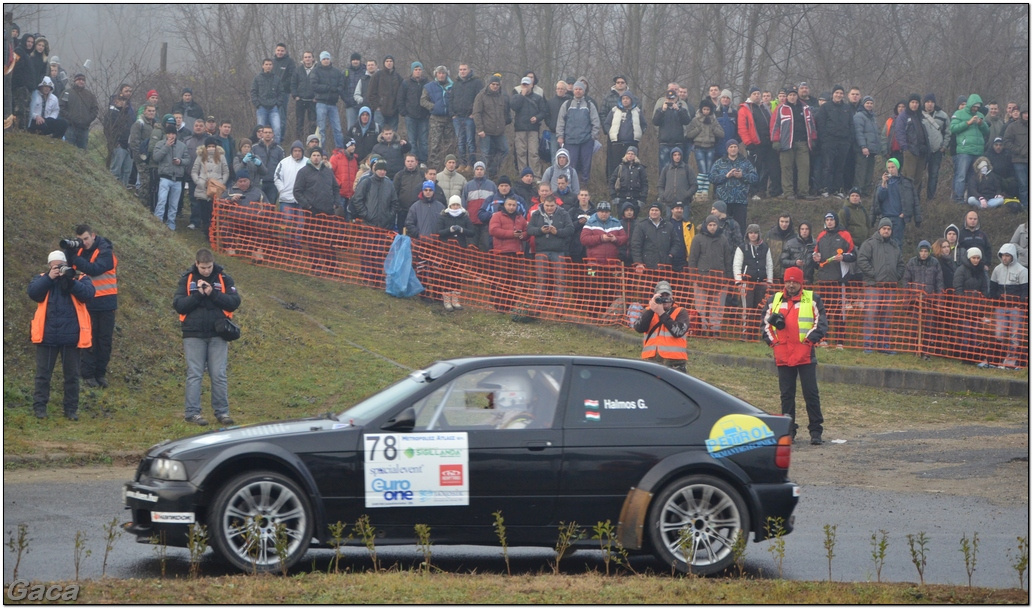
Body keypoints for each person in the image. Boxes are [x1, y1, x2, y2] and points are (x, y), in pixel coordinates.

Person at [173, 248, 241, 426]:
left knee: (218, 374)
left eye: (209, 267)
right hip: (193, 334)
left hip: (218, 334)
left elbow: (234, 302)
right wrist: (198, 295)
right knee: (194, 374)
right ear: (197, 264)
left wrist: (213, 293)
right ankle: (192, 413)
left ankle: (222, 412)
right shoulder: (186, 279)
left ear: (213, 264)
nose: (206, 271)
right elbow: (179, 305)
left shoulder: (224, 278)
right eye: (203, 268)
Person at [761, 266, 828, 444]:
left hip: (805, 355)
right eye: (788, 281)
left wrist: (808, 342)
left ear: (801, 283)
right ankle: (788, 431)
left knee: (811, 393)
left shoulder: (813, 298)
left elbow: (820, 323)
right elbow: (765, 326)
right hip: (783, 354)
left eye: (795, 282)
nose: (791, 285)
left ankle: (816, 431)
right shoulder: (773, 299)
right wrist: (774, 344)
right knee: (786, 395)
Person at [28, 250, 95, 420]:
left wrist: (71, 281)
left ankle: (71, 410)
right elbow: (33, 293)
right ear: (49, 266)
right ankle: (40, 408)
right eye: (55, 265)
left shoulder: (78, 278)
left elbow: (89, 294)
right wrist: (49, 278)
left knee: (72, 376)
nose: (58, 268)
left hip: (71, 336)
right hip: (47, 335)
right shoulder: (42, 278)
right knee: (43, 375)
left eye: (61, 265)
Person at [64, 226, 117, 389]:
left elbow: (94, 269)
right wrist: (69, 253)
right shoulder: (79, 251)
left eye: (86, 238)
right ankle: (88, 374)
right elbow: (69, 270)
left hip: (106, 302)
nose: (84, 242)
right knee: (89, 339)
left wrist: (74, 257)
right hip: (87, 301)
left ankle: (100, 373)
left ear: (93, 235)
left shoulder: (106, 251)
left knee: (104, 340)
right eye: (81, 239)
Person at [857, 218, 905, 354]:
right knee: (870, 315)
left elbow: (901, 264)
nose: (886, 231)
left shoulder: (895, 246)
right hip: (873, 286)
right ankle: (868, 345)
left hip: (890, 286)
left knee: (887, 316)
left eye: (889, 229)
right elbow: (861, 259)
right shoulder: (869, 244)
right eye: (884, 228)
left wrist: (896, 276)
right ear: (879, 229)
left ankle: (884, 345)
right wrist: (874, 274)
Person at [688, 214, 733, 335]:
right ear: (706, 225)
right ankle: (701, 328)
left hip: (720, 279)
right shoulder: (697, 239)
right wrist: (694, 277)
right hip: (701, 278)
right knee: (701, 306)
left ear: (718, 226)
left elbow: (728, 260)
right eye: (710, 225)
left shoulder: (723, 239)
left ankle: (715, 329)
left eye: (714, 225)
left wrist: (727, 278)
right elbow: (692, 260)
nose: (712, 227)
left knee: (717, 307)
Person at [527, 194, 574, 310]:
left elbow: (570, 229)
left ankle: (559, 306)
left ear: (556, 205)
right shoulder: (537, 214)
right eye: (547, 206)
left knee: (560, 280)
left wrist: (557, 232)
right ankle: (539, 304)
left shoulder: (563, 214)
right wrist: (540, 230)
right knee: (541, 279)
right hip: (541, 250)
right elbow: (529, 229)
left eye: (551, 206)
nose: (549, 208)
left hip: (558, 251)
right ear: (543, 204)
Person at [771, 87, 817, 200]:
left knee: (804, 167)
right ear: (787, 96)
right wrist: (775, 140)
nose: (792, 97)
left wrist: (813, 138)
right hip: (786, 143)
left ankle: (803, 192)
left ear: (797, 96)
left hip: (802, 142)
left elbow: (812, 124)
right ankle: (788, 192)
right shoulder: (781, 108)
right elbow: (775, 125)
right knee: (786, 168)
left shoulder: (805, 108)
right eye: (790, 95)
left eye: (794, 95)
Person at [634, 280, 691, 372]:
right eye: (661, 297)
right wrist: (652, 309)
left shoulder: (680, 312)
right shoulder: (649, 311)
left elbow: (678, 332)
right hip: (650, 360)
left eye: (667, 296)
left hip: (674, 363)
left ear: (671, 297)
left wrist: (661, 313)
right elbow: (639, 328)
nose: (664, 299)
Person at [988, 243, 1028, 369]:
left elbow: (1025, 290)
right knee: (999, 333)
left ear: (1012, 256)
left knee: (1015, 335)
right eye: (1003, 255)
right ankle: (998, 358)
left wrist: (1021, 306)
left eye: (1007, 255)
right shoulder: (997, 269)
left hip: (1016, 308)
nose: (1004, 258)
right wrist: (994, 303)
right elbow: (993, 289)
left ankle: (1012, 360)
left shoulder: (1022, 271)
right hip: (1001, 307)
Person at [555, 80, 601, 184]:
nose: (578, 91)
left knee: (586, 165)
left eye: (580, 89)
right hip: (570, 141)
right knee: (571, 165)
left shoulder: (590, 105)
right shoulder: (567, 105)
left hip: (586, 141)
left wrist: (593, 137)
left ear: (584, 91)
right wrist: (560, 136)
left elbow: (596, 122)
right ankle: (571, 186)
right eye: (576, 89)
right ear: (573, 90)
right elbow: (560, 122)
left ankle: (584, 186)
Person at [733, 224, 773, 339]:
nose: (753, 235)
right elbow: (737, 265)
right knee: (747, 308)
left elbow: (769, 265)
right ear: (747, 234)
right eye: (751, 233)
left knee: (759, 308)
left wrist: (769, 281)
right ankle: (746, 332)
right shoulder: (742, 247)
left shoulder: (765, 247)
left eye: (755, 233)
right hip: (747, 282)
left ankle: (756, 332)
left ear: (758, 234)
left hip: (761, 283)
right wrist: (739, 281)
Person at [436, 195, 476, 311]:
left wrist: (462, 230)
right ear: (449, 205)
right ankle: (447, 300)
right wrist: (450, 230)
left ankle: (456, 299)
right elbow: (439, 231)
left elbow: (472, 232)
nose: (455, 207)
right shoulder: (443, 216)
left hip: (460, 250)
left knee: (457, 275)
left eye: (457, 205)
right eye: (453, 205)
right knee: (446, 274)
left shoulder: (465, 217)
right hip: (447, 250)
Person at [152, 114, 190, 230]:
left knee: (174, 204)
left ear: (176, 134)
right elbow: (156, 157)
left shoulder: (182, 146)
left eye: (173, 133)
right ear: (166, 134)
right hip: (164, 177)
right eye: (169, 133)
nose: (171, 136)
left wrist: (180, 161)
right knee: (162, 200)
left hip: (178, 178)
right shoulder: (160, 144)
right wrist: (166, 147)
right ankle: (157, 221)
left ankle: (171, 223)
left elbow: (188, 159)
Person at [709, 140, 758, 229]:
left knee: (740, 228)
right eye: (731, 147)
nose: (733, 149)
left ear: (738, 148)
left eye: (735, 147)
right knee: (723, 228)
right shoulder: (719, 163)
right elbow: (712, 178)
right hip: (723, 202)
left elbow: (754, 178)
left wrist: (742, 176)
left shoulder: (745, 162)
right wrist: (726, 176)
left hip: (740, 201)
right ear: (727, 149)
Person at [949, 94, 989, 202]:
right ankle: (958, 198)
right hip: (964, 151)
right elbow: (953, 128)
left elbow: (987, 132)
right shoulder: (958, 113)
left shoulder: (980, 115)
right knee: (961, 176)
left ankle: (971, 198)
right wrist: (968, 123)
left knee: (974, 177)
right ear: (970, 105)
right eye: (974, 106)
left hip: (978, 151)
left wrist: (982, 124)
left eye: (977, 107)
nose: (975, 109)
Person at [874, 158, 921, 247]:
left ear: (897, 167)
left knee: (897, 244)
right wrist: (884, 184)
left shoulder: (906, 182)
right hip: (885, 217)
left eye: (893, 167)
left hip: (898, 218)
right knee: (883, 244)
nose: (891, 169)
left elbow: (913, 200)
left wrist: (907, 213)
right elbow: (878, 199)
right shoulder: (882, 183)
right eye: (889, 167)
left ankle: (896, 261)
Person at [472, 74, 511, 179]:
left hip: (499, 131)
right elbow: (476, 113)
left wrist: (504, 124)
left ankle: (493, 170)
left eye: (497, 84)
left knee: (505, 150)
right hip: (486, 131)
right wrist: (480, 129)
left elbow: (506, 112)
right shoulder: (481, 96)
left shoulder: (502, 96)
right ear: (489, 84)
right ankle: (484, 176)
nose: (495, 86)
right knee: (485, 154)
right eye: (493, 84)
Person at [190, 136, 230, 235]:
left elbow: (226, 171)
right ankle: (206, 230)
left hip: (216, 188)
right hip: (203, 188)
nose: (211, 148)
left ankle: (214, 232)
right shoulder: (200, 156)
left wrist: (221, 183)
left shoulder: (221, 157)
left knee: (215, 211)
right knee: (204, 211)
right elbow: (194, 171)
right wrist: (198, 182)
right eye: (209, 146)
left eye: (213, 146)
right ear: (206, 147)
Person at [510, 75, 547, 176]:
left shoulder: (538, 98)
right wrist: (522, 95)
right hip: (520, 129)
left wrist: (537, 118)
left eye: (527, 84)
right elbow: (514, 107)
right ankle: (523, 175)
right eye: (523, 84)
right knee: (521, 153)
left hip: (533, 129)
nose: (525, 86)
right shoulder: (516, 97)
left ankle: (536, 176)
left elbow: (544, 111)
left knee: (533, 153)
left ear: (532, 85)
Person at [449, 63, 482, 171]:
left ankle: (471, 164)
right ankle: (462, 163)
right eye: (460, 69)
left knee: (470, 141)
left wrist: (474, 113)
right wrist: (452, 114)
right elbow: (450, 98)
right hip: (457, 117)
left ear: (469, 70)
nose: (462, 71)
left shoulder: (476, 82)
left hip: (469, 117)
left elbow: (480, 99)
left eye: (464, 69)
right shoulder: (456, 83)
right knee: (460, 142)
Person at [312, 51, 345, 150]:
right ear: (321, 60)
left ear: (330, 59)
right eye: (324, 59)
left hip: (333, 104)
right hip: (321, 103)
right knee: (321, 129)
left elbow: (341, 84)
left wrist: (337, 90)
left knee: (337, 129)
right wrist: (328, 88)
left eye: (327, 59)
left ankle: (340, 150)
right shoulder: (316, 71)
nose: (326, 61)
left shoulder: (336, 71)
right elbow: (314, 85)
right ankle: (321, 150)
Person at [399, 61, 430, 164]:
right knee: (412, 141)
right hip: (410, 116)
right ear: (412, 71)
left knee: (423, 141)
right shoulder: (406, 83)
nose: (418, 71)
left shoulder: (427, 82)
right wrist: (404, 112)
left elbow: (431, 98)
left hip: (423, 116)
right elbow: (401, 98)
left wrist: (428, 112)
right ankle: (413, 161)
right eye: (416, 69)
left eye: (419, 69)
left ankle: (423, 162)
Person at [62, 73, 98, 150]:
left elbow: (95, 109)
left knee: (82, 153)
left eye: (83, 80)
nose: (81, 81)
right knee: (68, 150)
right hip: (70, 127)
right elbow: (61, 107)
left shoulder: (90, 95)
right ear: (75, 81)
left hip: (84, 129)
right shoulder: (67, 93)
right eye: (79, 80)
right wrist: (70, 118)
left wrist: (88, 120)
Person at [251, 58, 282, 145]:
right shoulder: (257, 78)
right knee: (260, 131)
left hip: (274, 108)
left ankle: (276, 148)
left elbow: (281, 92)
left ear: (272, 66)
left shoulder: (276, 79)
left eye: (270, 64)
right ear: (263, 66)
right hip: (262, 108)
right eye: (266, 64)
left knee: (277, 129)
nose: (268, 66)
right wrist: (257, 104)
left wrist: (278, 103)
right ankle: (261, 149)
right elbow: (253, 92)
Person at [1002, 104, 1028, 210]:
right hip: (1019, 160)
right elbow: (1006, 141)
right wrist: (1019, 150)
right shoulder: (1013, 126)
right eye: (1025, 113)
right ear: (1021, 114)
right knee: (1023, 184)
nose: (1027, 115)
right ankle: (1025, 207)